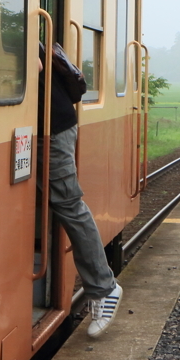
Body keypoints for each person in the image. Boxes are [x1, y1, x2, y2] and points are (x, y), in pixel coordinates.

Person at [37, 43, 123, 338]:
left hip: (52, 128)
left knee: (69, 205)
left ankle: (103, 287)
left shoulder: (14, 25)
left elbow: (31, 70)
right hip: (46, 126)